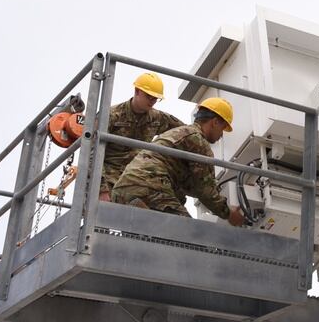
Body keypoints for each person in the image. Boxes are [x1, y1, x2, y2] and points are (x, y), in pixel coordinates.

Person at [111, 96, 243, 225]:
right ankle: (140, 203)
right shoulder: (198, 142)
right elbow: (205, 190)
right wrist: (229, 214)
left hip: (122, 190)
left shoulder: (179, 132)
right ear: (215, 122)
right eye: (223, 128)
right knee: (189, 235)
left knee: (146, 241)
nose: (221, 135)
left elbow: (189, 186)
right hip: (149, 187)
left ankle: (139, 207)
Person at [100, 72, 184, 202]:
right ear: (137, 91)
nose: (152, 101)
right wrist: (101, 190)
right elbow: (91, 152)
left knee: (172, 198)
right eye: (149, 96)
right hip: (110, 176)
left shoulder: (157, 117)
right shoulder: (112, 115)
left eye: (156, 98)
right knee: (107, 216)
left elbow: (185, 132)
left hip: (138, 176)